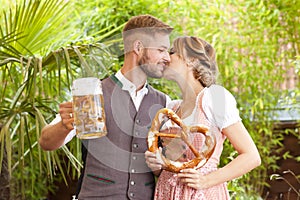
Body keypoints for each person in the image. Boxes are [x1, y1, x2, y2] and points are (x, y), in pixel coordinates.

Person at [39, 14, 173, 200]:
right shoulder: (94, 93)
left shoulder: (164, 102)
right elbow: (46, 142)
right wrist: (63, 125)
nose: (167, 58)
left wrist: (161, 165)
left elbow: (169, 166)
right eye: (161, 50)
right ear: (138, 47)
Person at [144, 36, 261, 199]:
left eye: (172, 52)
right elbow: (168, 165)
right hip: (167, 192)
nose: (167, 57)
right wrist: (156, 165)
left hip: (202, 193)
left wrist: (205, 180)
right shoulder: (172, 107)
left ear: (191, 60)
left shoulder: (214, 97)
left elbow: (251, 156)